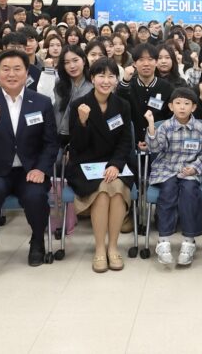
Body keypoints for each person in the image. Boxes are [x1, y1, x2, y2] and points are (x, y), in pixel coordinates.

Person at [0, 50, 58, 282]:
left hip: (29, 170)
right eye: (5, 69)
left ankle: (37, 240)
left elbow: (51, 143)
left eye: (17, 68)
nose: (11, 74)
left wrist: (41, 169)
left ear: (27, 72)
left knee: (36, 195)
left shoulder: (41, 102)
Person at [67, 58, 135, 273]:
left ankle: (113, 248)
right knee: (103, 191)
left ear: (116, 79)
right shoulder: (79, 105)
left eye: (111, 76)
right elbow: (77, 145)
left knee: (115, 188)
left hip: (115, 162)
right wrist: (83, 122)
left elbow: (125, 141)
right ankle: (99, 249)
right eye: (101, 76)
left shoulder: (122, 105)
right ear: (92, 78)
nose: (106, 80)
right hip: (86, 164)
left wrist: (115, 164)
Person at [145, 88, 202, 266]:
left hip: (189, 170)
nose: (182, 107)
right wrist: (152, 126)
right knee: (168, 191)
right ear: (170, 106)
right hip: (167, 168)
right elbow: (154, 148)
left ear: (194, 107)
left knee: (190, 191)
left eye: (186, 103)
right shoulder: (166, 126)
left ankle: (189, 241)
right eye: (178, 103)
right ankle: (163, 240)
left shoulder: (200, 128)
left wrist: (195, 168)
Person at [119, 43, 175, 148]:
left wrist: (154, 140)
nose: (146, 64)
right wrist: (134, 143)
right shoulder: (127, 86)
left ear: (156, 62)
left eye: (150, 59)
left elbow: (170, 119)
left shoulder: (167, 88)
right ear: (134, 64)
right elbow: (120, 112)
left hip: (160, 144)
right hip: (131, 145)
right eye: (141, 60)